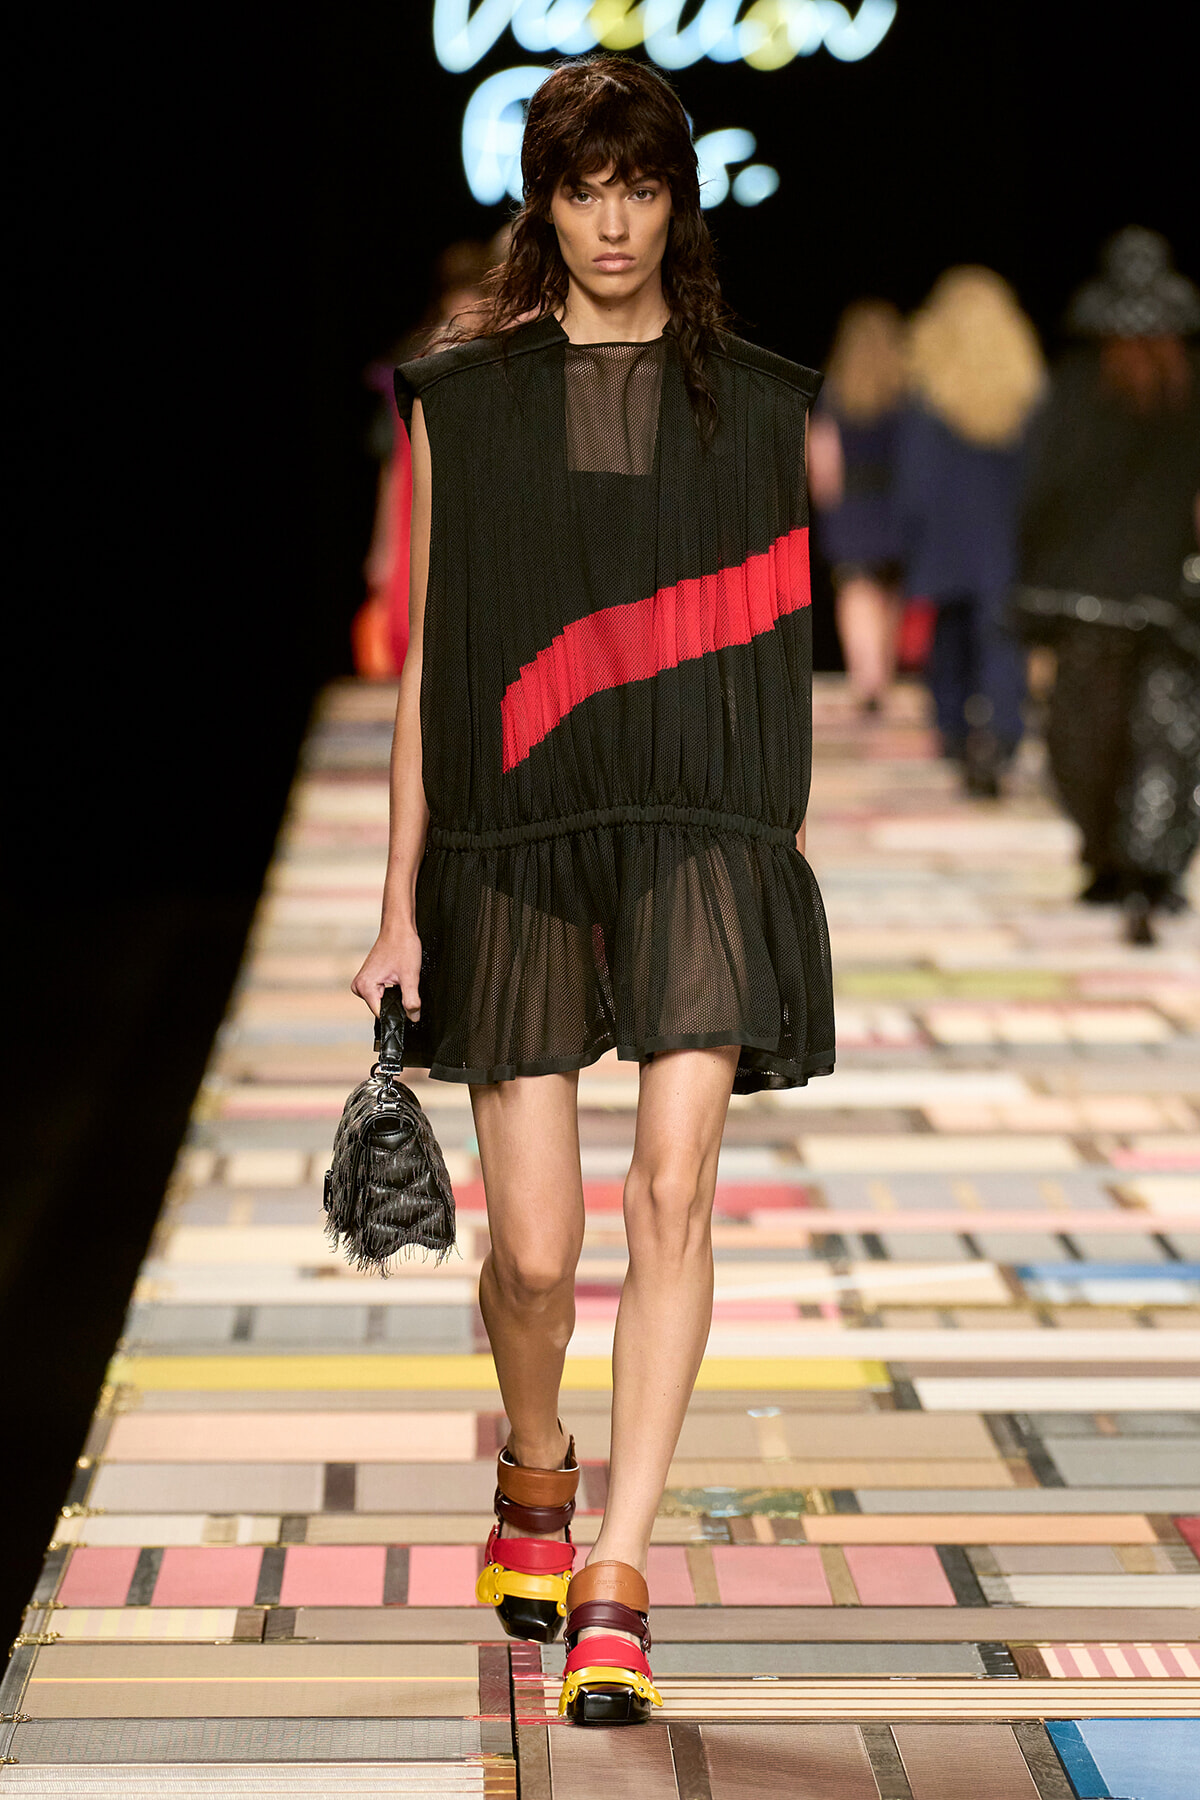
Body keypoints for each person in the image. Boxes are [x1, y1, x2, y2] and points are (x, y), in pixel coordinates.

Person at [351, 54, 834, 1725]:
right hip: (519, 835)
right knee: (540, 1255)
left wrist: (773, 845)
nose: (615, 221)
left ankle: (621, 1571)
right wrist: (399, 897)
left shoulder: (756, 404)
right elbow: (435, 670)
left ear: (675, 204)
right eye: (585, 187)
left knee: (673, 1194)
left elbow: (778, 646)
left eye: (642, 189)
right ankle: (539, 1473)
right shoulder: (467, 404)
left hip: (700, 817)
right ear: (541, 201)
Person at [1014, 227, 1200, 943]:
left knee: (1086, 736)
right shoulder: (1187, 392)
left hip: (1088, 594)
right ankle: (1150, 866)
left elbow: (1042, 493)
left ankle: (1112, 860)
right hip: (1171, 593)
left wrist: (1034, 583)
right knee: (1167, 735)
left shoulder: (1075, 391)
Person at [894, 268, 1047, 795]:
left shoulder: (930, 384)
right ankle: (1003, 741)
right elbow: (1041, 470)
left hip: (944, 533)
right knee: (1001, 638)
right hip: (1003, 531)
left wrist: (910, 532)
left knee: (950, 638)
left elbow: (916, 475)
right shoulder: (1026, 386)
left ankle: (957, 739)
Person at [807, 299, 906, 712]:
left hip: (851, 509)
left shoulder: (834, 393)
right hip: (896, 504)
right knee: (890, 591)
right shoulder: (908, 396)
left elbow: (824, 465)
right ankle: (884, 673)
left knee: (856, 593)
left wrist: (826, 504)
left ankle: (868, 681)